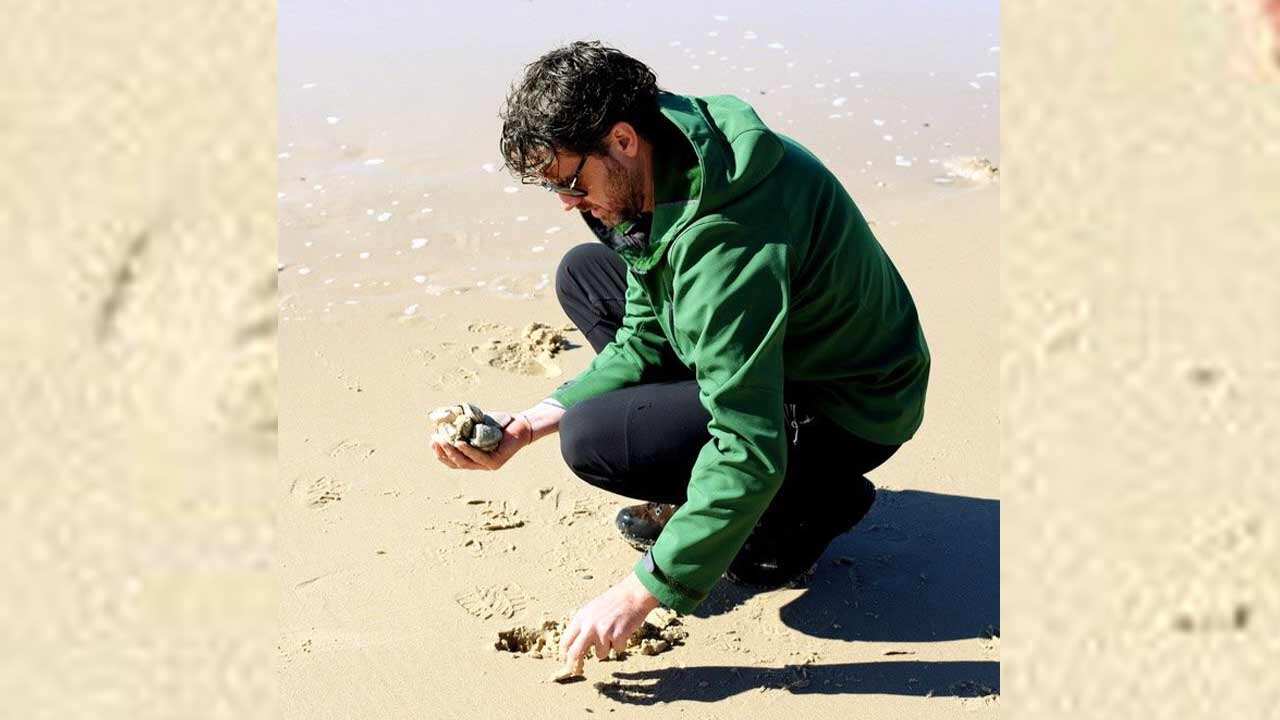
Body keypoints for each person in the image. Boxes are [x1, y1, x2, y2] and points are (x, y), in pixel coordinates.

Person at [428, 41, 930, 670]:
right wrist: (529, 423)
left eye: (570, 181)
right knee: (587, 273)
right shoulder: (671, 154)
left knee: (594, 439)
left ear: (622, 139)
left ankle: (799, 511)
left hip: (852, 406)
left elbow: (747, 445)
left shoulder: (725, 247)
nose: (565, 202)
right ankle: (725, 488)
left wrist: (640, 592)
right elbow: (645, 333)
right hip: (779, 354)